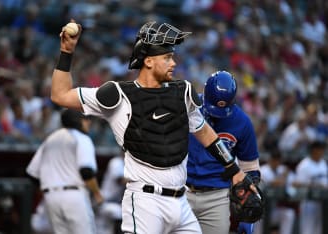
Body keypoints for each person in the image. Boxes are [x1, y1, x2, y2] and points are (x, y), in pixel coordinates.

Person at [50, 20, 261, 233]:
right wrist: (66, 52)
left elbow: (205, 133)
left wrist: (234, 170)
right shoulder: (117, 94)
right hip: (145, 202)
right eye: (167, 57)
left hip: (181, 202)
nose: (173, 63)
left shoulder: (183, 92)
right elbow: (60, 95)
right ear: (149, 61)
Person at [186, 71, 261, 234]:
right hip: (181, 190)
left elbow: (250, 165)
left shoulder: (242, 122)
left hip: (217, 196)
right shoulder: (187, 106)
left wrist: (249, 187)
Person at [26, 109, 103, 234]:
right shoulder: (82, 138)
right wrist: (97, 194)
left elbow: (32, 174)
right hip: (74, 196)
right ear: (78, 121)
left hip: (50, 197)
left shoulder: (50, 139)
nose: (89, 122)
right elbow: (86, 172)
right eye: (86, 119)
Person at [254, 149, 296, 234]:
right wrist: (284, 177)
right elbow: (274, 183)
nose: (276, 162)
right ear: (271, 159)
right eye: (274, 160)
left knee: (289, 213)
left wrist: (285, 178)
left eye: (278, 160)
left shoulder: (282, 168)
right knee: (258, 223)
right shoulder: (263, 170)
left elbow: (294, 182)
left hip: (274, 209)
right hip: (261, 210)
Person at [293, 140, 328, 234]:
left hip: (322, 202)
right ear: (314, 150)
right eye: (320, 149)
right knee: (307, 230)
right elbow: (296, 184)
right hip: (308, 202)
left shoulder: (323, 163)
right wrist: (312, 185)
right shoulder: (304, 165)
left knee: (319, 229)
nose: (322, 152)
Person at [95, 153, 126, 234]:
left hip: (114, 202)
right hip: (104, 201)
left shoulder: (126, 165)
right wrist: (138, 181)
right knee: (119, 213)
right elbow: (120, 180)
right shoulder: (116, 162)